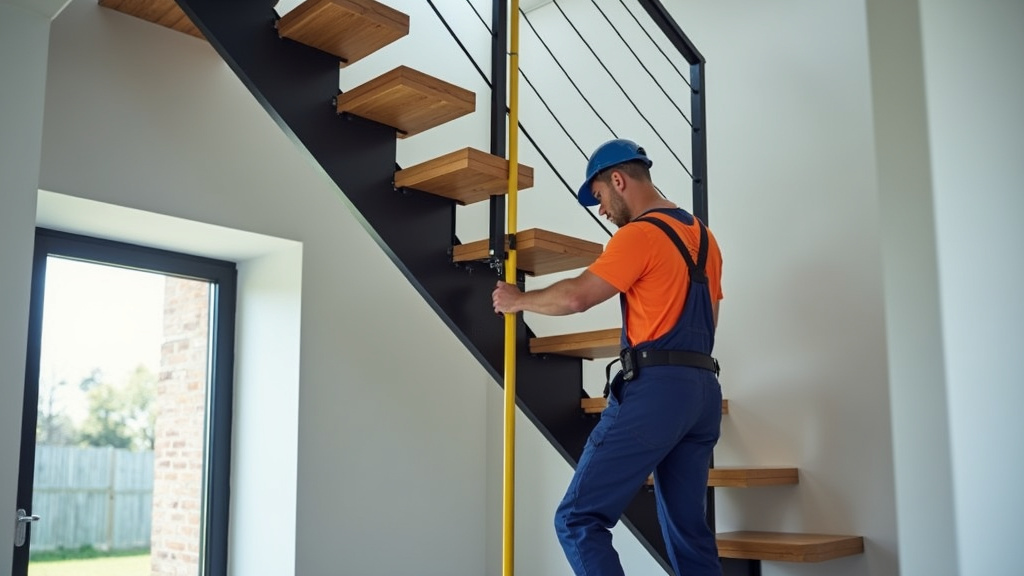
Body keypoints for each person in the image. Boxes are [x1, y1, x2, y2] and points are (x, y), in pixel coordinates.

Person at [492, 139, 724, 576]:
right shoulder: (706, 240)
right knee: (689, 534)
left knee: (578, 518)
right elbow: (711, 317)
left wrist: (518, 299)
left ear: (617, 180)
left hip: (656, 393)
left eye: (599, 196)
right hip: (703, 394)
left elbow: (578, 298)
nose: (602, 209)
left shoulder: (639, 235)